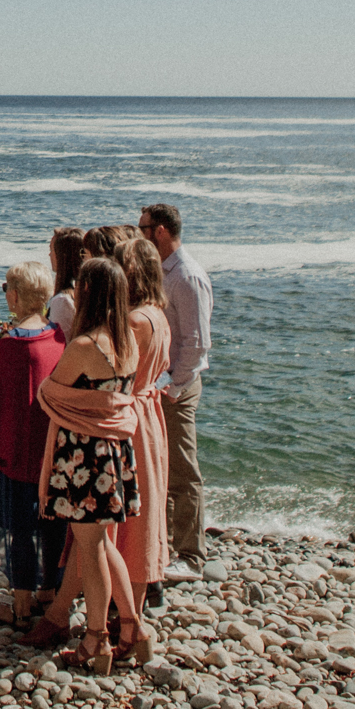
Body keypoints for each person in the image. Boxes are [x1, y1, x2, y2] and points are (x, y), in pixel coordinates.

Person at [30, 256, 149, 674]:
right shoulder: (129, 343)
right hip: (114, 455)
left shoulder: (84, 347)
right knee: (102, 543)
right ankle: (133, 626)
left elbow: (51, 392)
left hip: (83, 457)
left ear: (88, 293)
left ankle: (95, 640)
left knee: (90, 548)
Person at [0, 260, 65, 627]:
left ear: (15, 296)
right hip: (52, 449)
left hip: (19, 450)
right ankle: (49, 592)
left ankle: (23, 603)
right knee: (51, 523)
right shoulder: (59, 335)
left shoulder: (13, 345)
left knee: (21, 530)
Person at [141, 202, 214, 580]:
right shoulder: (165, 272)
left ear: (161, 231)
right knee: (163, 468)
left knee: (183, 472)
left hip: (176, 388)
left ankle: (192, 555)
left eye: (144, 228)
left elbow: (197, 344)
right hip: (164, 385)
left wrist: (171, 384)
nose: (140, 235)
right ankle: (166, 546)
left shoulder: (185, 276)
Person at [112, 235, 173, 632]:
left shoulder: (134, 321)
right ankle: (134, 602)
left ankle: (126, 614)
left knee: (128, 517)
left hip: (130, 416)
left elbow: (116, 375)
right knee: (146, 510)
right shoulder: (158, 314)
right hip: (150, 415)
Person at [45, 228, 87, 335]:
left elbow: (61, 341)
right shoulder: (85, 289)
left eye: (52, 250)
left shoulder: (62, 301)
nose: (49, 255)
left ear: (63, 256)